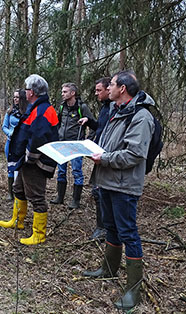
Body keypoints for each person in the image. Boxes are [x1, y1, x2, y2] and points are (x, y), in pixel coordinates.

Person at [83, 70, 155, 310]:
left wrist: (104, 158)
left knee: (128, 232)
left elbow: (135, 154)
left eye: (111, 84)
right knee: (111, 227)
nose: (107, 88)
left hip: (124, 185)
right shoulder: (117, 111)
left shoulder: (141, 116)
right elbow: (109, 144)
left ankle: (134, 291)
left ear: (122, 88)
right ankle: (108, 269)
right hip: (107, 180)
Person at [0, 74, 59, 245]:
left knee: (36, 196)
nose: (24, 92)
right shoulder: (35, 107)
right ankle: (17, 221)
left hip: (36, 162)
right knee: (19, 189)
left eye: (26, 89)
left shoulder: (43, 110)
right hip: (26, 160)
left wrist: (29, 158)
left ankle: (39, 234)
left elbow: (38, 138)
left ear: (31, 92)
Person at [50, 83, 95, 209]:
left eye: (65, 92)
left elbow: (93, 125)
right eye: (62, 92)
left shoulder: (82, 107)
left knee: (77, 172)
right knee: (61, 171)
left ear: (72, 93)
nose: (62, 94)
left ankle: (76, 200)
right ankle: (60, 197)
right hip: (62, 144)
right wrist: (57, 136)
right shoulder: (62, 107)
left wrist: (86, 142)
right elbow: (57, 123)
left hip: (76, 145)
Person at [78, 77, 111, 240]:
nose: (96, 93)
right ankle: (102, 226)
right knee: (97, 191)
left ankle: (104, 228)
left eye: (99, 90)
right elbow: (101, 127)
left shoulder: (115, 108)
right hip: (100, 153)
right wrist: (89, 122)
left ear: (108, 90)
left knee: (100, 191)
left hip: (108, 156)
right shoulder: (105, 107)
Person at [2, 89, 28, 201]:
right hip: (10, 143)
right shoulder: (10, 111)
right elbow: (4, 127)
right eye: (14, 97)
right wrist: (11, 134)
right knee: (11, 167)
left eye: (17, 97)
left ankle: (21, 192)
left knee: (22, 167)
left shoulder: (27, 112)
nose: (15, 99)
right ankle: (10, 193)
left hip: (22, 144)